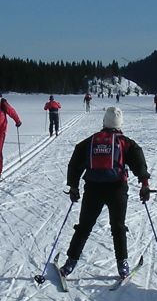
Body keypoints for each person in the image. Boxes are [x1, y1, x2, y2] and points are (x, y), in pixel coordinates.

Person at [60, 107, 151, 280]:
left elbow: (75, 163)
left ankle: (70, 263)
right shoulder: (125, 142)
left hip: (93, 188)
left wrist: (73, 186)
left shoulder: (91, 141)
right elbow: (139, 162)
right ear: (120, 124)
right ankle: (122, 265)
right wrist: (144, 185)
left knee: (84, 226)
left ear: (104, 122)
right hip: (117, 188)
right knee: (118, 226)